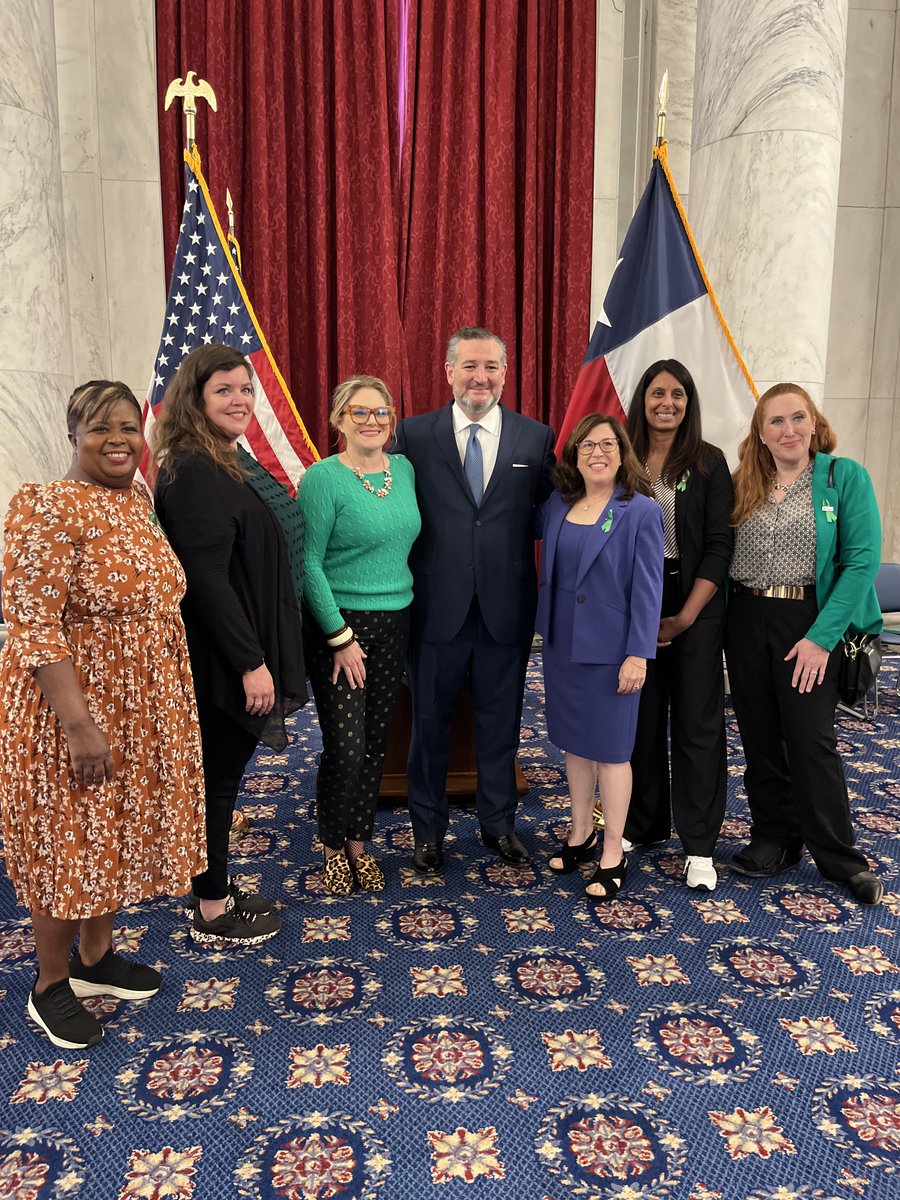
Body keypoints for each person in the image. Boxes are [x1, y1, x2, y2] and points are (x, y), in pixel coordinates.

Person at [0, 380, 206, 1049]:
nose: (118, 440)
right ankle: (50, 982)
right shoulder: (47, 506)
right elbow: (33, 624)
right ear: (72, 436)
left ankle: (96, 959)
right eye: (100, 429)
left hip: (142, 703)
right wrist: (79, 723)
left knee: (108, 833)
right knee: (69, 841)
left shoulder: (135, 498)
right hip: (74, 707)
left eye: (127, 427)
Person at [153, 344, 308, 943]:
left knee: (221, 778)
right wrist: (251, 662)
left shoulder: (223, 459)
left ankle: (213, 882)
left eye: (245, 388)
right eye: (224, 389)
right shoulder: (192, 469)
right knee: (216, 781)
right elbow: (207, 579)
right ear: (194, 398)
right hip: (223, 657)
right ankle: (212, 905)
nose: (240, 399)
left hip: (241, 646)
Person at [394, 327, 555, 873]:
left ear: (505, 374)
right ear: (448, 372)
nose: (479, 377)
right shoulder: (414, 436)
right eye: (468, 366)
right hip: (434, 609)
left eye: (490, 366)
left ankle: (498, 825)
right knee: (429, 728)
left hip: (505, 610)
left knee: (500, 724)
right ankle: (428, 832)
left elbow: (546, 515)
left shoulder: (535, 439)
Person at [726, 383, 883, 905]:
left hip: (812, 620)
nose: (788, 429)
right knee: (760, 734)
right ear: (760, 432)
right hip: (746, 616)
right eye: (776, 421)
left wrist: (820, 639)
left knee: (811, 740)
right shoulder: (743, 481)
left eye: (798, 418)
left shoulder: (843, 478)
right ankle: (776, 839)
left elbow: (861, 563)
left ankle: (840, 857)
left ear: (814, 423)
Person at [297, 376, 421, 893]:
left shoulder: (405, 470)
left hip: (396, 621)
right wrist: (340, 637)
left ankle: (359, 844)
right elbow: (308, 563)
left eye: (381, 413)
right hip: (341, 626)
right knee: (345, 746)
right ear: (338, 420)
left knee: (374, 743)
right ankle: (330, 844)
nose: (372, 422)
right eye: (359, 412)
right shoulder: (322, 479)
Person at [536, 414, 663, 901]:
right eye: (587, 445)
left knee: (611, 751)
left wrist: (638, 654)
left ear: (622, 450)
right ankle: (580, 832)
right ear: (574, 454)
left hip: (613, 653)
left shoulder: (641, 512)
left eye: (607, 444)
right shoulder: (558, 504)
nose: (597, 453)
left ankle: (613, 849)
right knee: (574, 744)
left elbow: (649, 591)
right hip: (562, 646)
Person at [623, 360, 734, 891]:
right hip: (633, 600)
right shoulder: (620, 457)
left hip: (696, 600)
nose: (667, 403)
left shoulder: (709, 462)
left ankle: (699, 845)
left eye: (678, 394)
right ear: (642, 398)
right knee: (640, 716)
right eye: (657, 393)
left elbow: (719, 545)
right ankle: (643, 824)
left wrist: (687, 614)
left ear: (689, 402)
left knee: (697, 722)